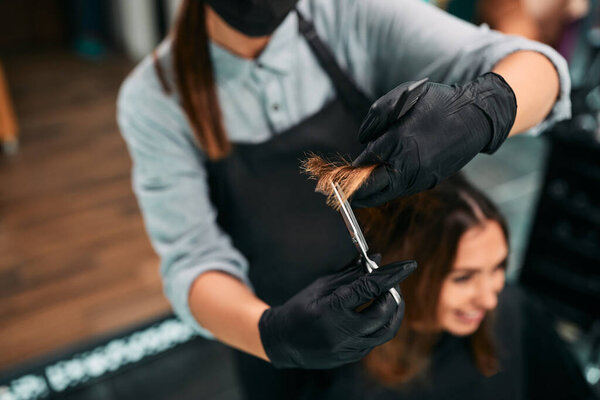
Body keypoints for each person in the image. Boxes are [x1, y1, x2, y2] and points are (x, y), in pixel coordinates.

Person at [116, 0, 571, 398]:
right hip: (291, 337)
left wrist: (482, 108)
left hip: (411, 310)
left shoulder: (352, 13)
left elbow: (538, 67)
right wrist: (273, 335)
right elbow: (192, 262)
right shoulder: (154, 99)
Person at [308, 174, 596, 400]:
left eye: (497, 268)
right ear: (402, 273)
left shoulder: (513, 310)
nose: (490, 299)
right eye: (463, 278)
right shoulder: (347, 377)